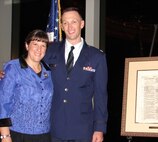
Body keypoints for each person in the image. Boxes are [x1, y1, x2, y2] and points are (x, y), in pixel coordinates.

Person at [0, 6, 108, 142]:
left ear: (82, 24)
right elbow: (29, 63)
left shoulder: (96, 57)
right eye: (65, 23)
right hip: (54, 128)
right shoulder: (50, 50)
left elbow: (101, 96)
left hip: (83, 128)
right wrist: (5, 72)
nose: (70, 26)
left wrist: (99, 128)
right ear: (61, 26)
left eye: (74, 21)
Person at [0, 29, 53, 142]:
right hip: (18, 134)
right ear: (27, 45)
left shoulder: (49, 71)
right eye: (35, 44)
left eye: (43, 45)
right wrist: (5, 135)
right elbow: (3, 103)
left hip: (44, 135)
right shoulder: (13, 68)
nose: (39, 49)